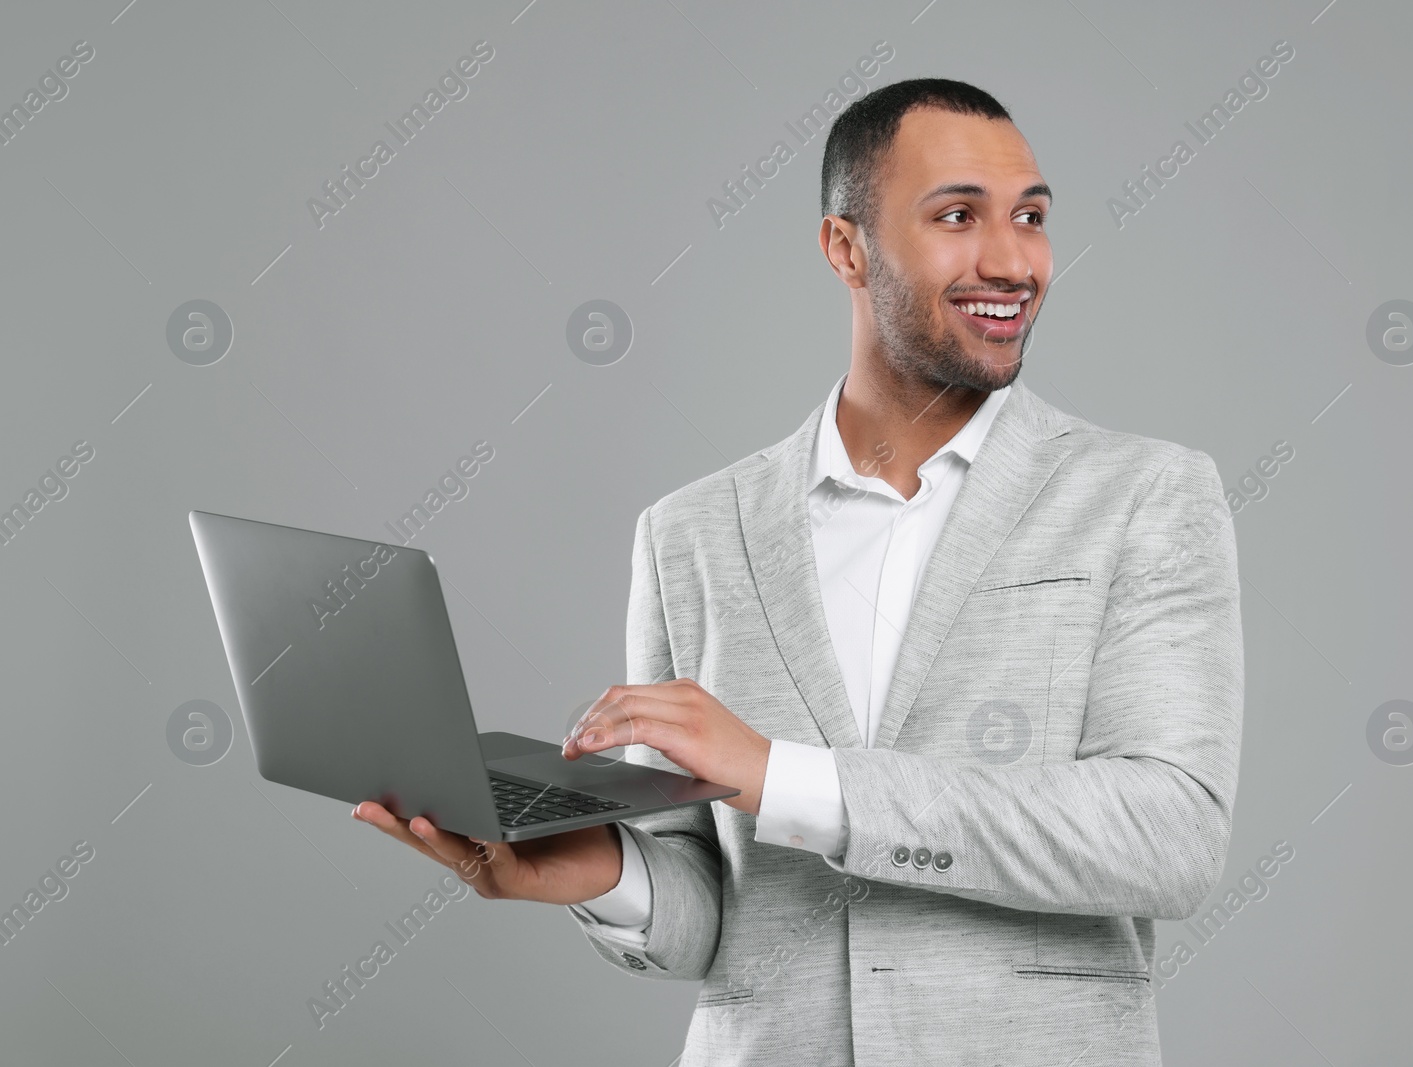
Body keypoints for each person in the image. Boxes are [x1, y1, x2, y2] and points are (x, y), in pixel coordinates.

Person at [356, 77, 1244, 1066]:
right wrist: (600, 870)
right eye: (958, 215)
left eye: (1029, 217)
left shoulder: (1144, 496)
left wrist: (785, 776)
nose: (1011, 259)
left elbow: (1169, 836)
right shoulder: (689, 531)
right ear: (844, 247)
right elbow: (709, 912)